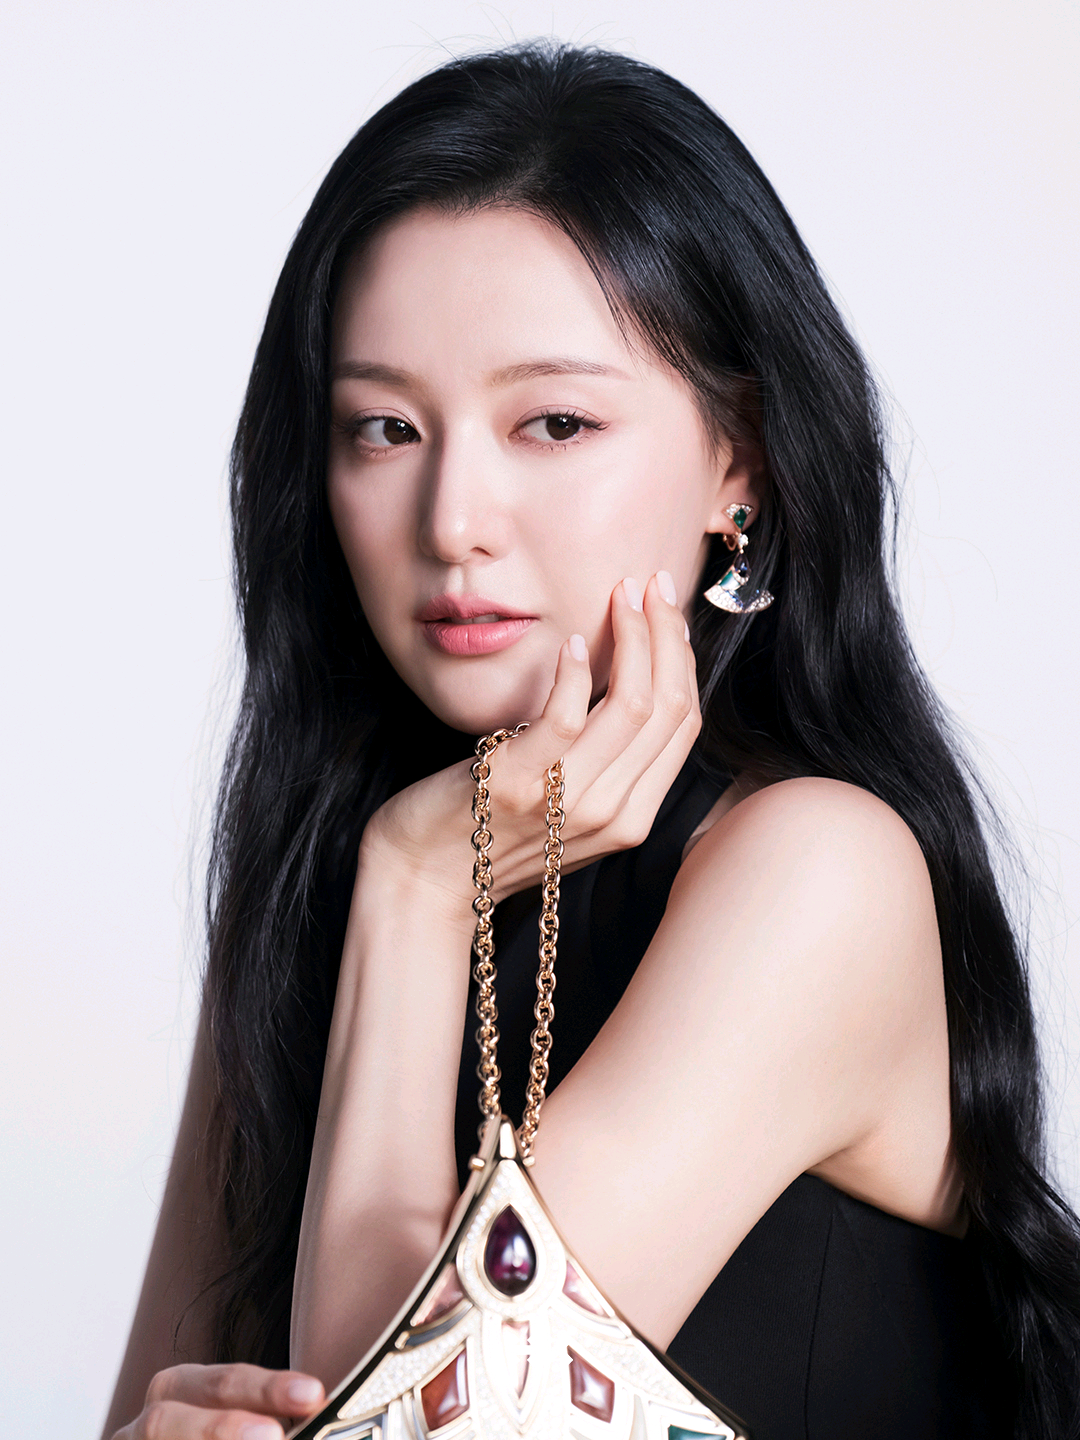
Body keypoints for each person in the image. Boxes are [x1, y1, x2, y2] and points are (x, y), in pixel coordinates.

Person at [102, 40, 1080, 1440]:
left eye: (554, 423)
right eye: (384, 428)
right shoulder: (317, 888)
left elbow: (416, 1424)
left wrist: (420, 884)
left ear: (739, 463)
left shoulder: (818, 871)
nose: (453, 520)